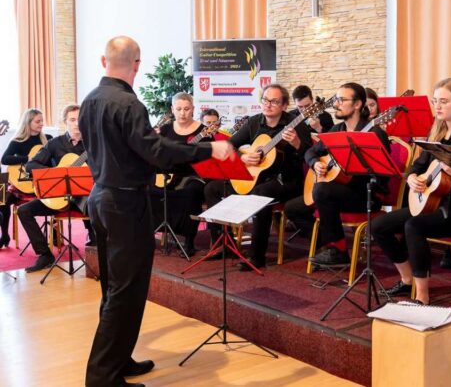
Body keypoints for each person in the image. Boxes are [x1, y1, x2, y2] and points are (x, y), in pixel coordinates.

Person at [78, 36, 233, 387]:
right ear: (137, 64)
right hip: (124, 203)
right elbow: (156, 153)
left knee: (113, 287)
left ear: (104, 61)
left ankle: (118, 360)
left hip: (100, 198)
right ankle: (102, 378)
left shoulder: (90, 100)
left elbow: (122, 150)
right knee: (126, 290)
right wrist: (208, 149)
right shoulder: (128, 104)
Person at [370, 78, 451, 304]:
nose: (438, 106)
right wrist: (413, 178)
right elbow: (415, 168)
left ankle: (422, 295)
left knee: (413, 226)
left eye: (444, 101)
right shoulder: (437, 132)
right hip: (432, 204)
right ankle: (407, 279)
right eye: (435, 101)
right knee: (378, 225)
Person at [203, 83, 312, 270]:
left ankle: (256, 256)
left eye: (274, 101)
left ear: (284, 105)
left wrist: (297, 143)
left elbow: (309, 155)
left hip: (286, 181)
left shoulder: (296, 124)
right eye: (265, 100)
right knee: (211, 188)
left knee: (260, 193)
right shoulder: (254, 122)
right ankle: (224, 244)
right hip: (257, 178)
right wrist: (243, 156)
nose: (268, 105)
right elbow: (229, 145)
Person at [306, 82, 390, 266]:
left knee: (321, 191)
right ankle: (329, 248)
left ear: (358, 104)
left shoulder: (374, 133)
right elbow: (311, 152)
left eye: (342, 100)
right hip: (342, 191)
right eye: (336, 99)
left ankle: (338, 250)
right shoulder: (337, 130)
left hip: (367, 195)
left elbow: (384, 175)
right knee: (307, 200)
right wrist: (315, 164)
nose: (336, 104)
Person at [16, 104, 94, 272]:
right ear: (65, 122)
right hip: (58, 197)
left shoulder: (94, 144)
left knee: (102, 205)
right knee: (24, 210)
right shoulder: (54, 144)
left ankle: (97, 249)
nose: (77, 123)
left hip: (83, 197)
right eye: (72, 119)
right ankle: (45, 254)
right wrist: (56, 172)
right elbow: (31, 165)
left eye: (80, 119)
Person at [150, 92, 211, 257]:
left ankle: (189, 241)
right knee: (150, 191)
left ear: (193, 109)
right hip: (169, 175)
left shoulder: (203, 131)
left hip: (194, 176)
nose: (183, 113)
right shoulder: (165, 130)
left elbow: (207, 158)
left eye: (186, 109)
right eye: (178, 109)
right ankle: (155, 231)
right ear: (172, 110)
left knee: (190, 194)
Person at [0, 108, 52, 247]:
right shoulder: (17, 141)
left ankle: (53, 235)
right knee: (3, 200)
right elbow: (4, 159)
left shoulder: (48, 139)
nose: (41, 124)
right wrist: (27, 158)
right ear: (28, 123)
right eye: (37, 121)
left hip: (42, 183)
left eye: (42, 121)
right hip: (23, 183)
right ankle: (4, 235)